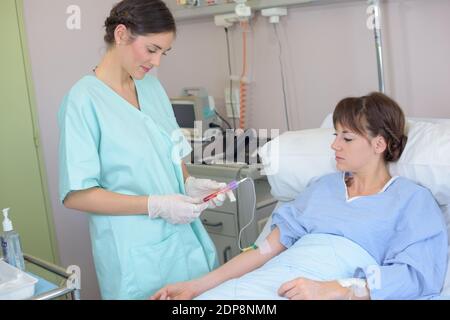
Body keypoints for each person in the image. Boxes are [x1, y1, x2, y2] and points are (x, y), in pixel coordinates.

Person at [151, 92, 448, 300]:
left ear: (379, 144)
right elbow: (264, 250)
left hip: (330, 291)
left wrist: (335, 290)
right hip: (270, 282)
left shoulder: (412, 200)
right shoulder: (322, 187)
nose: (335, 146)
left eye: (347, 138)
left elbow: (416, 276)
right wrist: (195, 287)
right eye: (335, 135)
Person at [58, 0, 227, 300]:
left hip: (185, 245)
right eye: (152, 49)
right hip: (136, 257)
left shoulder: (151, 87)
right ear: (121, 35)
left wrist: (189, 183)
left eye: (164, 52)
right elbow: (76, 194)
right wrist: (155, 205)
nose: (157, 62)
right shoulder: (83, 101)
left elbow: (173, 152)